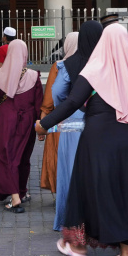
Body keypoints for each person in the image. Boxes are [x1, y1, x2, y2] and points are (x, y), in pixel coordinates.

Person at [35, 24, 128, 256]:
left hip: (96, 138)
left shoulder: (93, 69)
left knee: (88, 186)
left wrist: (44, 124)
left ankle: (78, 243)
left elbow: (72, 102)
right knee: (127, 190)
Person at [49, 22, 103, 231]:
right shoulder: (106, 62)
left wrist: (66, 108)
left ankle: (69, 221)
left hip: (72, 124)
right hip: (100, 123)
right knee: (96, 173)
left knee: (70, 173)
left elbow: (57, 93)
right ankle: (94, 222)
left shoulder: (69, 63)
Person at [0, 39, 43, 213]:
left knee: (5, 156)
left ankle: (15, 197)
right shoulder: (34, 75)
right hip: (27, 121)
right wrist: (40, 124)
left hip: (5, 121)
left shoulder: (0, 75)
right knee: (23, 156)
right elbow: (39, 102)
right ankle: (21, 191)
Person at [39, 32, 79, 194]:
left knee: (60, 156)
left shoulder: (59, 66)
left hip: (60, 119)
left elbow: (49, 98)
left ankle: (63, 190)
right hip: (83, 119)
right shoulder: (90, 64)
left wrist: (43, 122)